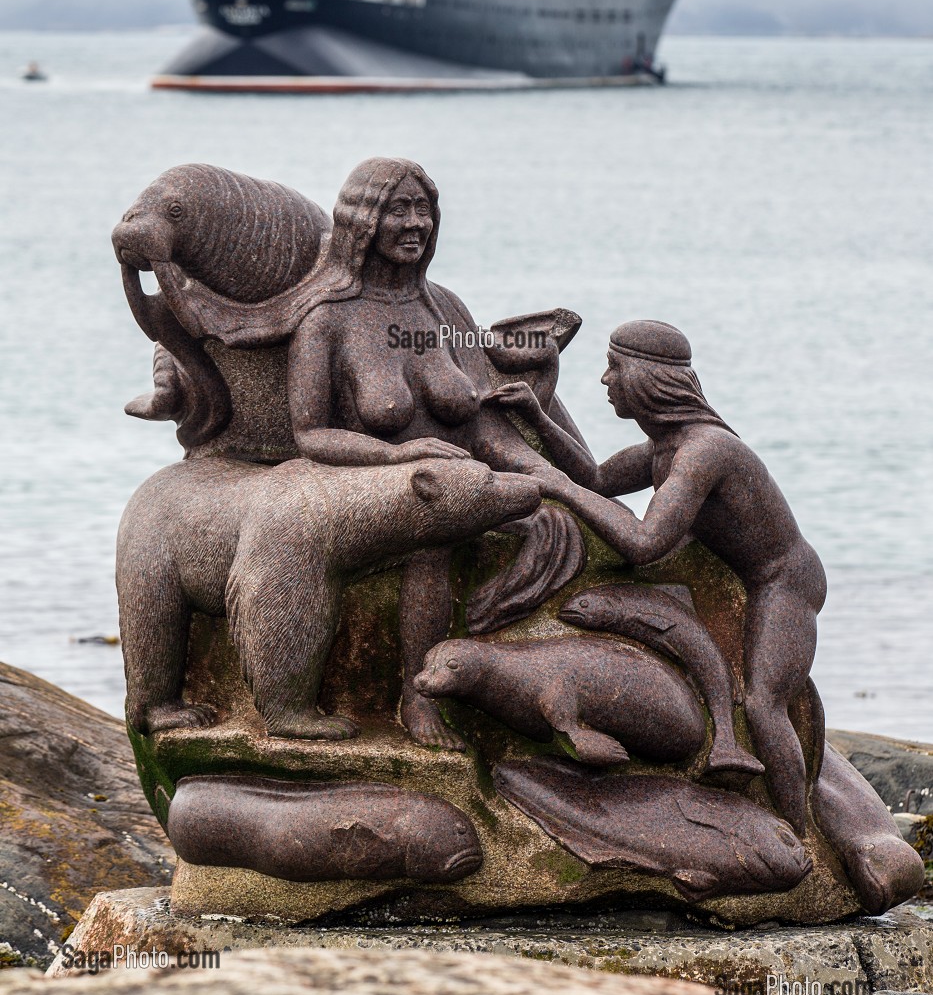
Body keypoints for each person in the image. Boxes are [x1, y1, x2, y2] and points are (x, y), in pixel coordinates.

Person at [487, 319, 826, 835]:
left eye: (614, 368)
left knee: (763, 705)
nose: (604, 380)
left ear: (648, 380)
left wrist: (558, 486)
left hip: (785, 582)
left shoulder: (702, 452)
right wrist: (540, 412)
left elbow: (645, 544)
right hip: (739, 571)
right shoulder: (660, 451)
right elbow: (597, 479)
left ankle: (798, 832)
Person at [287, 157, 574, 749]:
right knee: (433, 536)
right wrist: (397, 456)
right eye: (399, 209)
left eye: (424, 210)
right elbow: (311, 434)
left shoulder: (441, 309)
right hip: (376, 478)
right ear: (363, 221)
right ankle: (419, 698)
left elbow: (480, 406)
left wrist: (556, 476)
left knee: (567, 508)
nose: (415, 223)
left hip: (461, 470)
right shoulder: (328, 320)